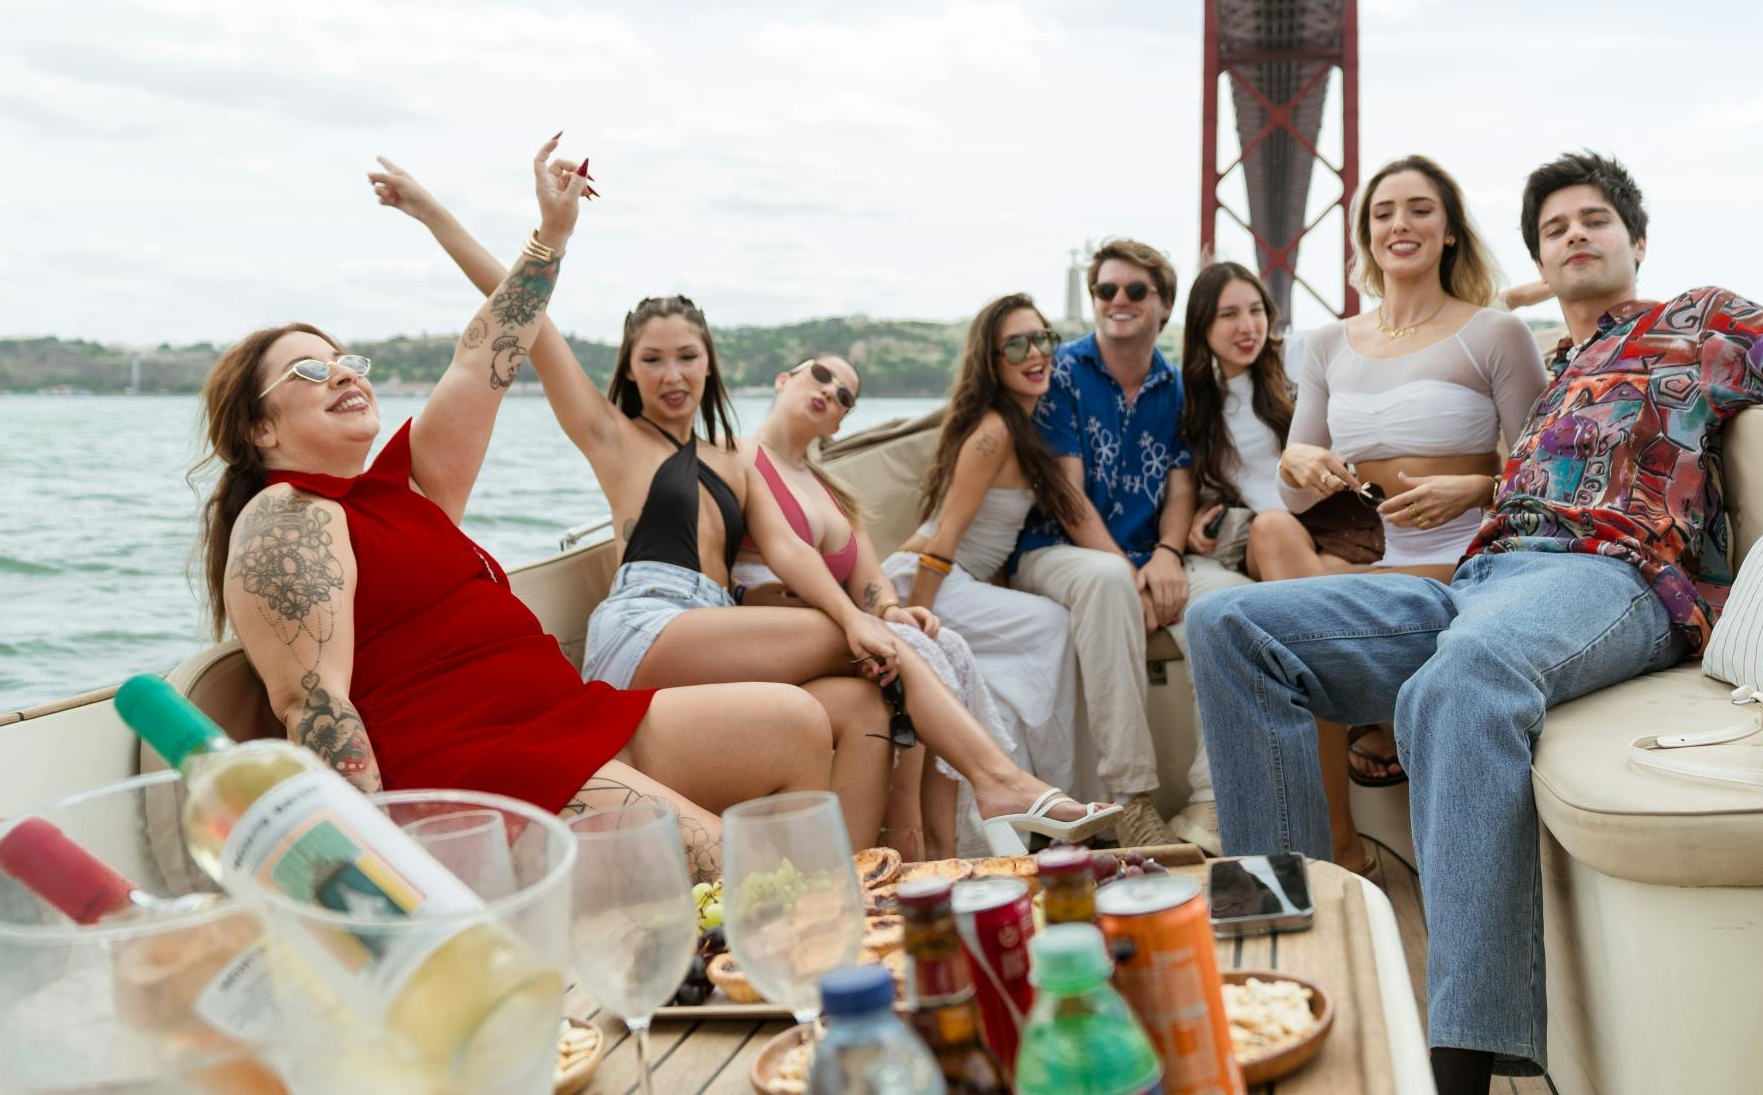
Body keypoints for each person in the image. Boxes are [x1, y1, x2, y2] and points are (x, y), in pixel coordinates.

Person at [1186, 149, 1763, 1092]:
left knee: (1462, 680)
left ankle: (1459, 1070)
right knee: (1233, 630)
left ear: (1637, 241)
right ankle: (1283, 961)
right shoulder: (1560, 367)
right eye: (1554, 228)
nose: (1574, 235)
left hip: (1611, 576)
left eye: (1594, 221)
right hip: (1484, 577)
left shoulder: (1705, 319)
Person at [372, 157, 1115, 856]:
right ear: (628, 368)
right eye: (653, 359)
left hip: (713, 623)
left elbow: (790, 552)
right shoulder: (610, 436)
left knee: (861, 701)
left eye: (687, 357)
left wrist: (874, 607)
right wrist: (432, 212)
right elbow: (519, 312)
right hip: (647, 626)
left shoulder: (737, 459)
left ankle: (852, 887)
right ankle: (998, 780)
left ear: (710, 364)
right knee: (875, 647)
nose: (672, 374)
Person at [200, 137, 839, 885]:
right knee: (741, 872)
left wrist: (553, 233)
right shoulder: (287, 516)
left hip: (565, 718)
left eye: (348, 360)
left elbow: (484, 357)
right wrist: (382, 881)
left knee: (795, 726)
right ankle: (773, 959)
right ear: (258, 428)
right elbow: (315, 706)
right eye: (311, 370)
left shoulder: (405, 492)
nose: (343, 372)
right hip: (484, 770)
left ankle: (803, 953)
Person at [1247, 156, 1548, 872]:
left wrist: (1476, 487)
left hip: (1456, 559)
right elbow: (1296, 497)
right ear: (1366, 234)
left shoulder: (1495, 335)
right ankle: (1338, 840)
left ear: (1448, 231)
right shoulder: (1324, 344)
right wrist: (1297, 466)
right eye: (1383, 212)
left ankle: (1348, 781)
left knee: (1295, 633)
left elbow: (1545, 477)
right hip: (1360, 556)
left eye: (1419, 209)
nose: (1399, 224)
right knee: (1269, 528)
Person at [730, 353, 1019, 860]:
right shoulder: (735, 458)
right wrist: (744, 595)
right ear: (783, 379)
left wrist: (891, 611)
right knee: (904, 655)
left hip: (835, 623)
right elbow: (709, 558)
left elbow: (870, 582)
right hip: (770, 633)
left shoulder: (835, 494)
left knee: (940, 642)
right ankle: (923, 845)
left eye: (844, 395)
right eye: (820, 375)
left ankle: (947, 848)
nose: (829, 391)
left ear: (841, 421)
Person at [879, 296, 1093, 842]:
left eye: (1043, 338)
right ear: (992, 361)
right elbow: (945, 536)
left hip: (958, 582)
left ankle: (1019, 802)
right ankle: (1050, 794)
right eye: (1016, 344)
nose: (1035, 353)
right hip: (932, 579)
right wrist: (910, 615)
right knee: (1052, 624)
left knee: (1008, 680)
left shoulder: (1021, 425)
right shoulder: (994, 430)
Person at [1010, 239, 1196, 850]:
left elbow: (1180, 488)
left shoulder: (1175, 386)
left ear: (1163, 304)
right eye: (1105, 290)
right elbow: (1067, 499)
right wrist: (1132, 570)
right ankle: (1130, 799)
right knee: (1108, 580)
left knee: (1229, 605)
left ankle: (1214, 805)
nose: (1118, 300)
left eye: (1135, 290)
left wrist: (1168, 556)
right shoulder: (1061, 372)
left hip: (1146, 553)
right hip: (1052, 550)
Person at [1164, 261, 1293, 852]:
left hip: (1296, 533)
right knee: (1209, 617)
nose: (1248, 326)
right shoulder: (1193, 400)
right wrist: (1191, 521)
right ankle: (1213, 802)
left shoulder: (1296, 374)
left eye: (1257, 311)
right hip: (1240, 539)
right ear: (1203, 326)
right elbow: (1190, 484)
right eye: (1229, 314)